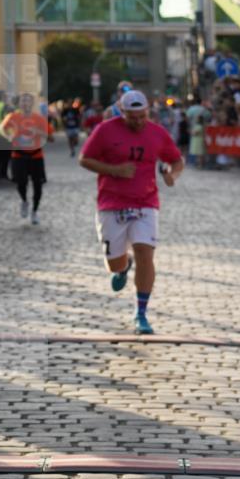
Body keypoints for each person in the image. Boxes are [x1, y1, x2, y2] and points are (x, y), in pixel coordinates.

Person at [79, 89, 184, 335]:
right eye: (132, 117)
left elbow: (177, 160)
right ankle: (123, 266)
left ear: (148, 111)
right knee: (114, 264)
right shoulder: (105, 130)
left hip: (146, 202)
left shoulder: (157, 132)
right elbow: (85, 159)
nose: (138, 121)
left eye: (142, 116)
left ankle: (141, 313)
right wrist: (113, 170)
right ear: (122, 112)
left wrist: (172, 175)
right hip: (111, 203)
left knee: (146, 254)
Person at [0, 93, 51, 225]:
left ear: (32, 104)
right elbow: (2, 128)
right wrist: (9, 136)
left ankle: (34, 211)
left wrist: (38, 132)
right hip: (19, 155)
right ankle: (24, 201)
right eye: (23, 101)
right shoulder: (13, 117)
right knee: (20, 183)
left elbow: (50, 136)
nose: (25, 103)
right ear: (19, 104)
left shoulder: (39, 118)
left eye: (28, 101)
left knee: (38, 185)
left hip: (36, 156)